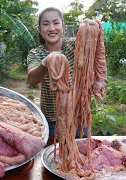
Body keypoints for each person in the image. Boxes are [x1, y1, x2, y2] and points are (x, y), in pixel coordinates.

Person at [26, 7, 106, 139]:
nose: (52, 28)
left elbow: (97, 53)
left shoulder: (76, 45)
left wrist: (92, 29)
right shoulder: (36, 53)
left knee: (79, 152)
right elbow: (32, 80)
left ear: (62, 25)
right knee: (54, 153)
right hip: (52, 119)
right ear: (39, 29)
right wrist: (46, 63)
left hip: (79, 115)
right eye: (46, 24)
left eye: (56, 23)